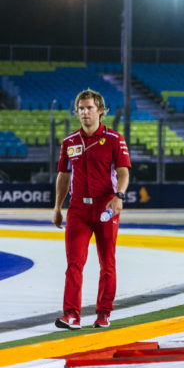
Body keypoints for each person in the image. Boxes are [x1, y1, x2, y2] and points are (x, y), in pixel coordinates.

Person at [53, 89, 131, 330]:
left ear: (100, 111)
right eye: (81, 108)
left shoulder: (115, 139)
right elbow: (63, 177)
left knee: (107, 263)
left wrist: (119, 196)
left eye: (89, 108)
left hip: (105, 206)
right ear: (76, 112)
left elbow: (123, 172)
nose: (85, 112)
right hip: (77, 209)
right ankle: (71, 315)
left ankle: (103, 313)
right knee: (74, 263)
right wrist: (58, 206)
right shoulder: (69, 142)